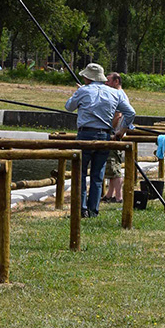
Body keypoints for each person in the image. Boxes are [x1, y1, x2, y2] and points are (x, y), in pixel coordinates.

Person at [65, 62, 136, 218]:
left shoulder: (83, 91)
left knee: (81, 173)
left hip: (85, 135)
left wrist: (77, 93)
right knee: (98, 175)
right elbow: (131, 113)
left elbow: (68, 107)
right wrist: (120, 132)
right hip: (105, 136)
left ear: (87, 77)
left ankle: (81, 209)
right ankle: (93, 211)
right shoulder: (114, 93)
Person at [102, 72, 130, 202]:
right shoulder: (121, 94)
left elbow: (117, 115)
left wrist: (111, 130)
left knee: (114, 166)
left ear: (116, 81)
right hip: (118, 134)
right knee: (112, 165)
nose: (106, 83)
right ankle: (109, 195)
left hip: (115, 135)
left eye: (108, 81)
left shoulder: (118, 94)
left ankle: (119, 197)